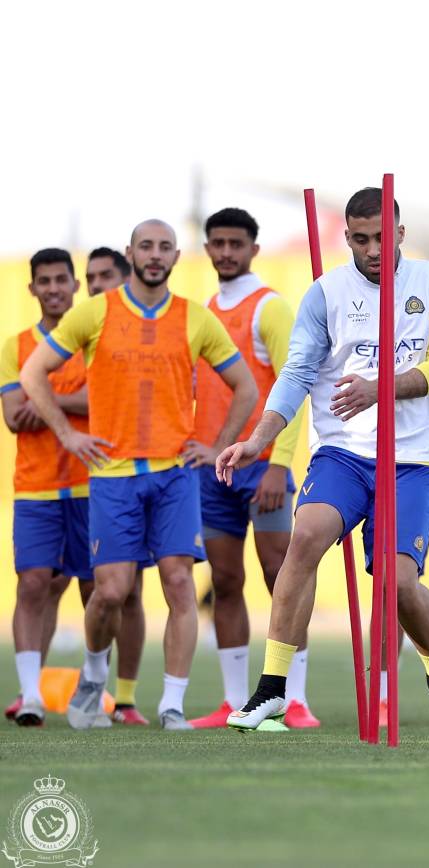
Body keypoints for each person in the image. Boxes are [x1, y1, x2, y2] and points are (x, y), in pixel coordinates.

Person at [218, 187, 429, 741]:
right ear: (347, 237)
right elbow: (297, 372)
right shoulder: (325, 293)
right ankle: (272, 688)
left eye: (383, 236)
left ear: (400, 232)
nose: (374, 248)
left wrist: (380, 388)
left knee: (399, 585)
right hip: (344, 452)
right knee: (303, 537)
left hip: (412, 459)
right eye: (360, 239)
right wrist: (259, 439)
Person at [20, 219, 258, 730]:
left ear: (176, 256)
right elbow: (32, 373)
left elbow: (245, 386)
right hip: (112, 475)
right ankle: (92, 673)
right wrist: (66, 434)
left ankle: (172, 704)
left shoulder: (195, 319)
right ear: (131, 253)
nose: (155, 255)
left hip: (175, 475)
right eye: (145, 246)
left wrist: (218, 445)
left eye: (164, 247)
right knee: (110, 591)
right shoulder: (95, 312)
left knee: (177, 581)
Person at [186, 208, 312, 729]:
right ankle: (234, 700)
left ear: (254, 248)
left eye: (236, 243)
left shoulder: (272, 309)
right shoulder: (206, 310)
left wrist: (278, 466)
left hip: (263, 470)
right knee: (226, 578)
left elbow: (297, 385)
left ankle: (296, 699)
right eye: (217, 243)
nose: (226, 252)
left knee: (280, 574)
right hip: (216, 473)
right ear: (208, 248)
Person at [1, 249, 90, 726]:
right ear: (32, 288)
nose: (54, 288)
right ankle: (31, 694)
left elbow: (102, 404)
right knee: (33, 583)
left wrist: (40, 394)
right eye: (44, 281)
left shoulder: (92, 339)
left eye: (61, 279)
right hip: (36, 486)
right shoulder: (16, 345)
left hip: (90, 482)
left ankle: (98, 688)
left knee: (97, 588)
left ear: (75, 286)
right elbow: (14, 416)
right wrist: (74, 403)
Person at [83, 245, 149, 725]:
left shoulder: (137, 324)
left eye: (106, 275)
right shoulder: (81, 327)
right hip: (89, 479)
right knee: (103, 591)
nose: (96, 285)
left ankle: (124, 699)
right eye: (91, 277)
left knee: (130, 592)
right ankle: (85, 683)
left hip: (140, 474)